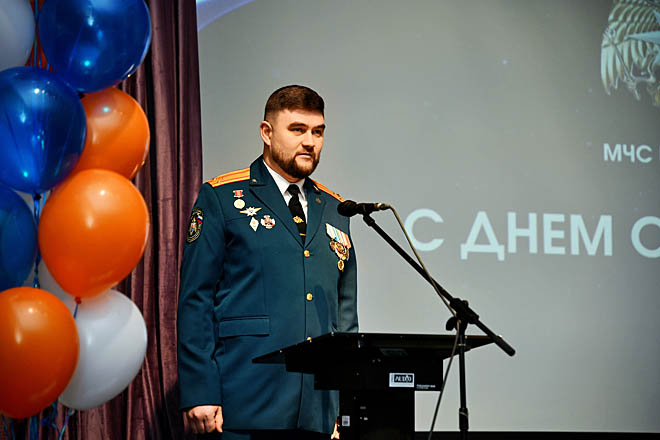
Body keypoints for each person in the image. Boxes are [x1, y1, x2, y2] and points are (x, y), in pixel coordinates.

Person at [177, 85, 358, 440]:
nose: (309, 142)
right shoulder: (222, 197)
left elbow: (345, 314)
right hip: (243, 402)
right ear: (266, 132)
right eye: (297, 130)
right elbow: (195, 300)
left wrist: (344, 404)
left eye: (317, 132)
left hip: (317, 410)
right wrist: (200, 390)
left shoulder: (336, 209)